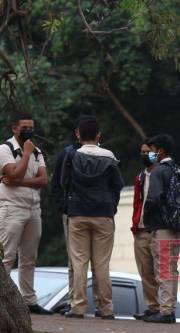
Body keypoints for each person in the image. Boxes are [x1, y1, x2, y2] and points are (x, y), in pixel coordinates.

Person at [61, 115, 124, 319]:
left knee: (79, 262)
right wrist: (111, 206)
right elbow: (118, 185)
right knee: (102, 263)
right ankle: (106, 308)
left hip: (78, 213)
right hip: (103, 213)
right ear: (98, 135)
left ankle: (78, 307)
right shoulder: (109, 156)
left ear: (79, 135)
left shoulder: (72, 156)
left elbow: (64, 182)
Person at [0, 112, 51, 314]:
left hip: (33, 209)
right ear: (14, 128)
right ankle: (3, 301)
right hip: (11, 208)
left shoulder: (37, 151)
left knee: (29, 257)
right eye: (24, 127)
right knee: (7, 256)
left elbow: (43, 180)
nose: (29, 131)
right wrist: (26, 154)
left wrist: (17, 181)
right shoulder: (5, 149)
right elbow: (13, 173)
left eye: (31, 127)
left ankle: (29, 301)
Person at [51, 129, 100, 308]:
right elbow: (58, 182)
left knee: (85, 261)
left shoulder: (101, 154)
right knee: (79, 261)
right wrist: (63, 206)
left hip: (84, 212)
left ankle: (82, 304)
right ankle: (77, 301)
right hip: (79, 212)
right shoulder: (69, 153)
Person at [142, 134, 180, 324]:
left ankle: (166, 311)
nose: (150, 154)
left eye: (152, 150)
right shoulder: (176, 169)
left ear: (159, 151)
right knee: (171, 269)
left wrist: (147, 217)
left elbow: (154, 198)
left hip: (161, 227)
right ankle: (169, 308)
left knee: (162, 270)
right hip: (174, 226)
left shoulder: (159, 171)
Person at [131, 139, 161, 320]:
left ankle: (164, 308)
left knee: (161, 271)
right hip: (141, 229)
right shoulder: (140, 177)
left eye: (148, 151)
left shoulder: (163, 174)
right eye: (142, 152)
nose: (145, 155)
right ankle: (152, 307)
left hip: (157, 228)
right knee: (145, 271)